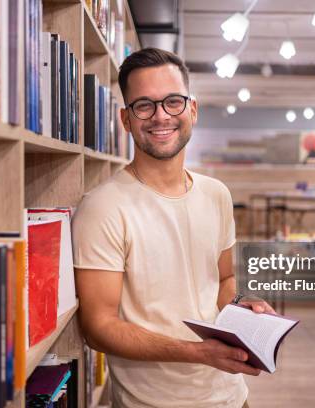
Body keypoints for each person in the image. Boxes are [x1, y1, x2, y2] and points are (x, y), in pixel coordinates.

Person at [72, 47, 274, 408]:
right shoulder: (103, 206)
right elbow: (97, 328)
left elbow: (223, 283)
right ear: (125, 119)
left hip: (231, 396)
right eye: (144, 105)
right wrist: (197, 353)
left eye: (173, 102)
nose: (160, 116)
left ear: (192, 110)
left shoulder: (217, 194)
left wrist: (244, 307)